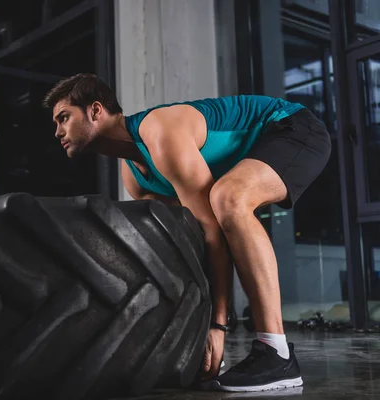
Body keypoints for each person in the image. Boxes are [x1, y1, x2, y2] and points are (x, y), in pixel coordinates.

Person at [42, 73, 331, 392]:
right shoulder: (135, 175)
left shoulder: (160, 132)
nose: (58, 132)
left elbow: (212, 231)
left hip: (291, 128)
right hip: (261, 149)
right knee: (171, 223)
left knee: (228, 198)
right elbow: (189, 239)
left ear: (95, 110)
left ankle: (276, 353)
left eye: (63, 118)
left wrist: (218, 325)